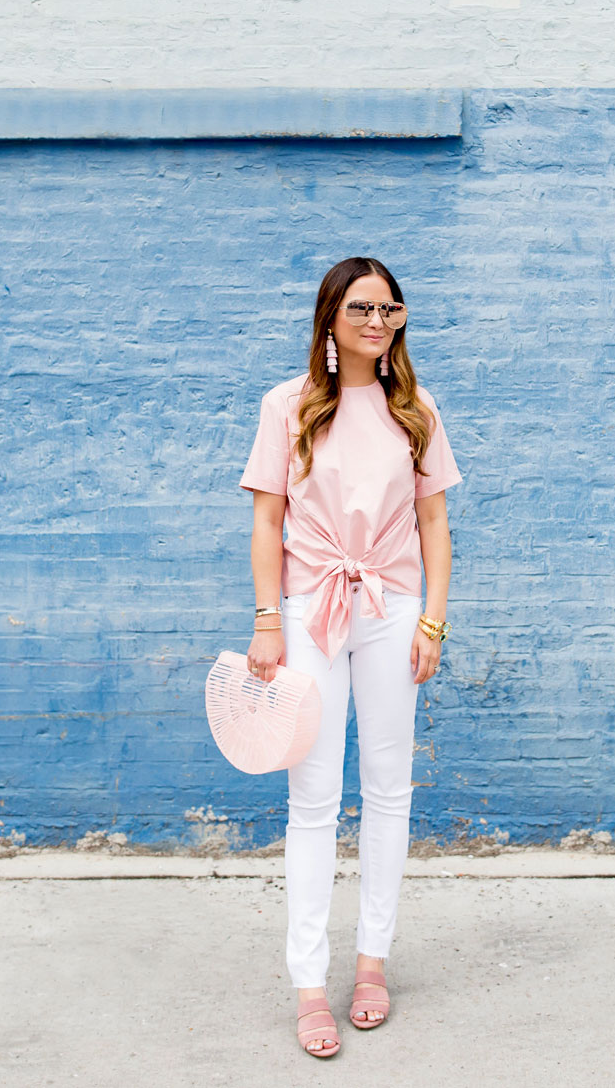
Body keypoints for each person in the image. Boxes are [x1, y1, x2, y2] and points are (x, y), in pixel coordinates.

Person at [238, 255, 462, 1058]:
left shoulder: (417, 409)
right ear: (330, 318)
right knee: (312, 796)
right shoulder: (286, 405)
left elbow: (435, 527)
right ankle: (309, 983)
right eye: (363, 308)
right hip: (311, 612)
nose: (378, 322)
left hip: (393, 610)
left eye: (391, 310)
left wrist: (432, 622)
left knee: (390, 788)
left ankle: (372, 964)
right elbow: (268, 524)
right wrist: (270, 622)